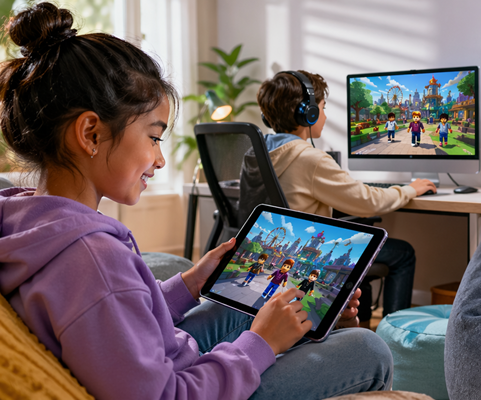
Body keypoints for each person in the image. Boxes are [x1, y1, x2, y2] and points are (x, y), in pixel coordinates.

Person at [0, 3, 391, 399]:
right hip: (191, 387)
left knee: (243, 304)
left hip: (171, 360)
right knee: (369, 349)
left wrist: (190, 282)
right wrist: (262, 344)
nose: (160, 158)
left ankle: (305, 326)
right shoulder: (93, 258)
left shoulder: (27, 220)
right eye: (154, 137)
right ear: (91, 134)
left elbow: (119, 322)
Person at [257, 70, 436, 325]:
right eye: (322, 107)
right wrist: (410, 189)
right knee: (403, 253)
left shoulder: (258, 153)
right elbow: (368, 202)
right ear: (307, 113)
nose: (325, 115)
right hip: (312, 257)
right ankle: (392, 339)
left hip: (288, 253)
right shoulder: (311, 159)